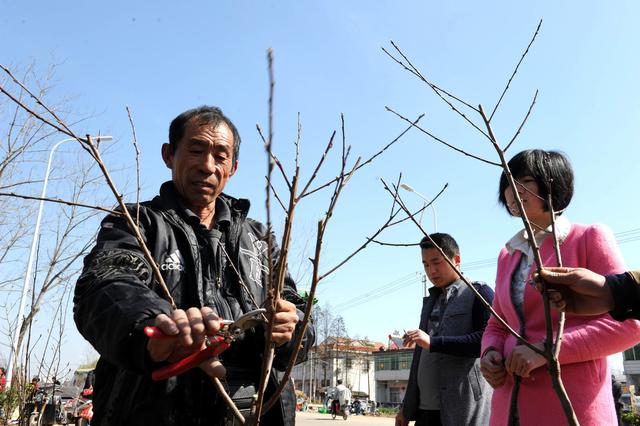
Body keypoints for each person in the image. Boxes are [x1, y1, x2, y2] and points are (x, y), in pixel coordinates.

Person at [73, 106, 314, 426]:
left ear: (233, 167)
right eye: (196, 150)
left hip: (251, 411)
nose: (207, 165)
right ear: (169, 155)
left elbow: (295, 306)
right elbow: (106, 282)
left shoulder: (260, 239)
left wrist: (292, 326)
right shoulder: (137, 224)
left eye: (220, 155)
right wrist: (156, 328)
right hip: (154, 411)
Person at [479, 149, 640, 426]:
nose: (512, 190)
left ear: (553, 183)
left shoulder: (588, 237)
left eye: (525, 180)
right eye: (508, 182)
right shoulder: (508, 255)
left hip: (572, 404)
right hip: (509, 403)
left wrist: (548, 349)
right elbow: (497, 324)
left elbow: (628, 324)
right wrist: (490, 352)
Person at [396, 233, 494, 426]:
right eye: (425, 265)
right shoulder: (431, 300)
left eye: (436, 262)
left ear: (456, 260)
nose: (431, 271)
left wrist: (433, 342)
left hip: (463, 409)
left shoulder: (479, 293)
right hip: (426, 411)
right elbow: (418, 359)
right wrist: (407, 408)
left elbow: (486, 340)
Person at [539, 266, 640, 320]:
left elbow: (629, 329)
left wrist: (548, 347)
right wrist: (609, 291)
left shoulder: (589, 234)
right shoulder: (522, 252)